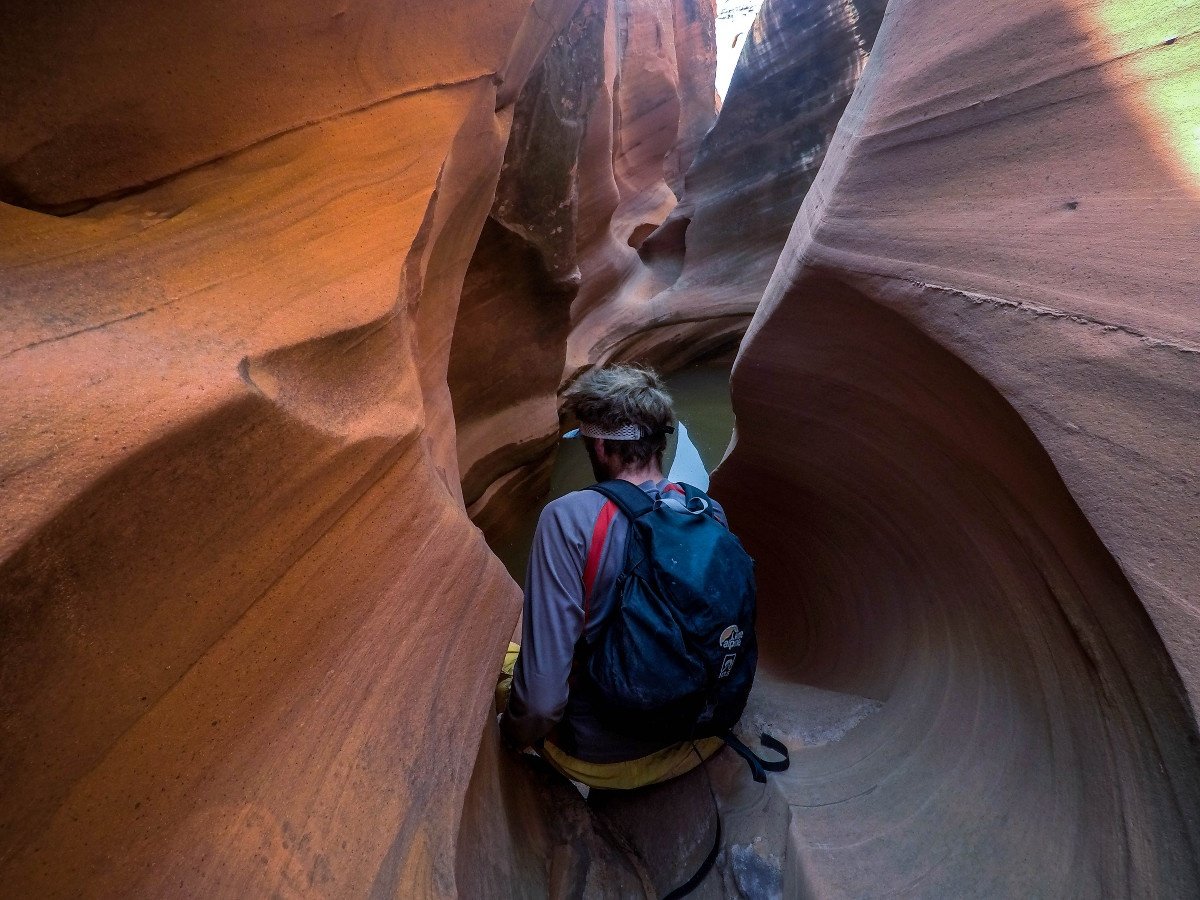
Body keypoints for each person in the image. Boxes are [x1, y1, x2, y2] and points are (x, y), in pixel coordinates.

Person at [496, 364, 733, 790]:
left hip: (609, 759)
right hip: (706, 733)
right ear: (660, 442)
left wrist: (509, 740)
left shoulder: (568, 519)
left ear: (600, 446)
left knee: (506, 668)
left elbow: (540, 703)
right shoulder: (707, 510)